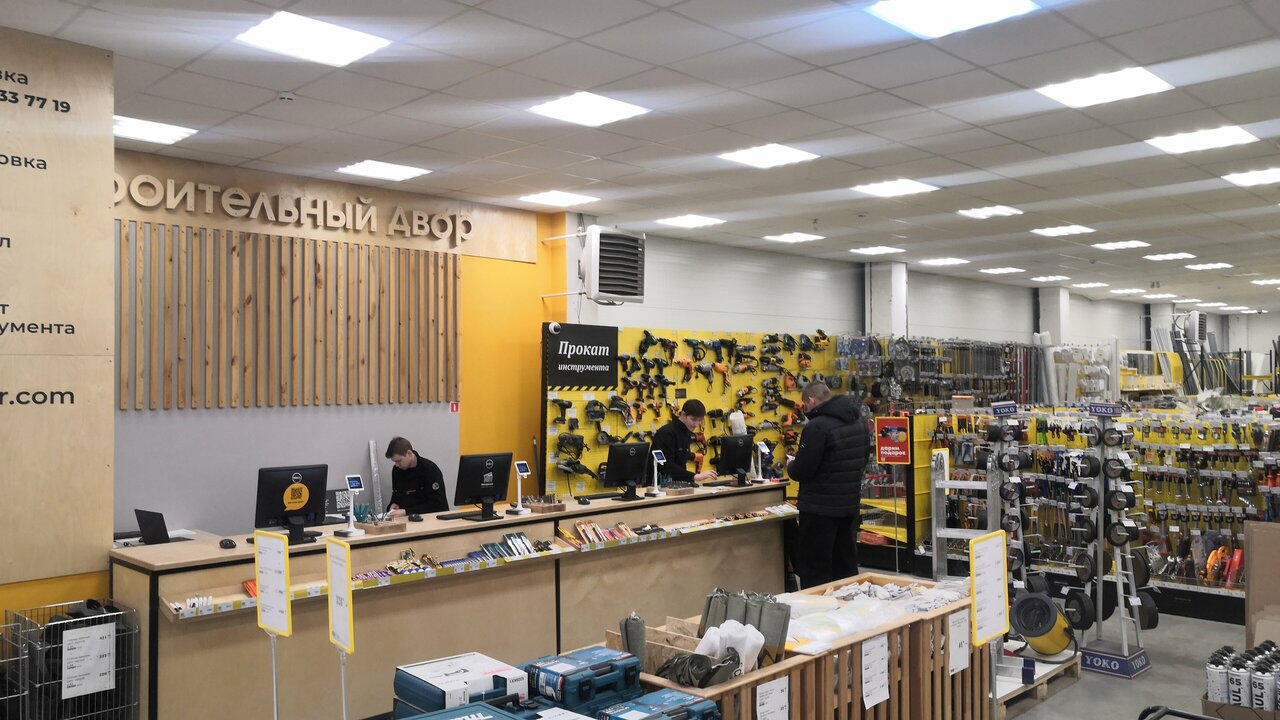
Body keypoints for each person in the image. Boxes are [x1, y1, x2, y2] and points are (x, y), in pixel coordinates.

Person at [786, 381, 870, 589]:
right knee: (846, 564)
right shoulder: (858, 421)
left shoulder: (817, 427)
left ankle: (817, 608)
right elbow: (863, 459)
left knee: (815, 568)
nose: (805, 410)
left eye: (805, 405)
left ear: (811, 400)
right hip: (849, 505)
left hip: (819, 509)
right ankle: (849, 605)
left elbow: (803, 470)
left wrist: (791, 465)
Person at [650, 399, 719, 485]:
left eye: (700, 420)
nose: (696, 424)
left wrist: (688, 481)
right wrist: (694, 476)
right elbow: (665, 465)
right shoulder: (666, 433)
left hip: (676, 484)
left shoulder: (686, 432)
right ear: (683, 414)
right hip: (659, 485)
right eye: (693, 419)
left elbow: (681, 464)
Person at [384, 437, 449, 516]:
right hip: (406, 518)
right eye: (395, 462)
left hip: (432, 518)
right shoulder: (397, 470)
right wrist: (393, 504)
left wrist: (406, 512)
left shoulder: (430, 470)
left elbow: (437, 504)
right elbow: (396, 493)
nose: (397, 465)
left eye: (399, 461)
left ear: (409, 454)